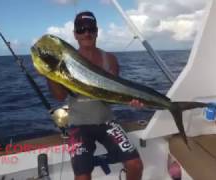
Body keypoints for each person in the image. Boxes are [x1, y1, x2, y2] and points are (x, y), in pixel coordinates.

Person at [46, 11, 144, 180]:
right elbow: (60, 96)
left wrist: (132, 101)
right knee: (82, 177)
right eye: (81, 29)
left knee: (135, 165)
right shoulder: (66, 61)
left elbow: (117, 94)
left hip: (107, 122)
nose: (87, 33)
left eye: (91, 29)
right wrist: (49, 72)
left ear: (97, 31)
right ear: (75, 34)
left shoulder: (110, 59)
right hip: (79, 125)